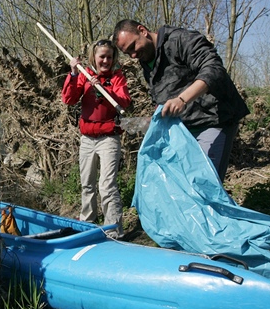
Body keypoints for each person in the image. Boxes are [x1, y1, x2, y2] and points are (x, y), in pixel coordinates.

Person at [112, 19, 250, 181]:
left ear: (142, 30)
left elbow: (213, 69)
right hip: (184, 129)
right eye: (128, 53)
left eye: (133, 47)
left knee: (205, 182)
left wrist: (182, 99)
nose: (133, 55)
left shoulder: (180, 40)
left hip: (215, 119)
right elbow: (162, 95)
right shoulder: (146, 62)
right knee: (182, 184)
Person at [61, 39, 132, 238]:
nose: (106, 61)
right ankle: (87, 223)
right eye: (102, 57)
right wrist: (74, 73)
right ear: (95, 57)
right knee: (87, 184)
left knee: (107, 185)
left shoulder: (117, 77)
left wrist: (103, 88)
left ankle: (114, 230)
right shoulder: (84, 75)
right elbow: (69, 99)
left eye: (109, 57)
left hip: (109, 138)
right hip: (87, 139)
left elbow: (124, 101)